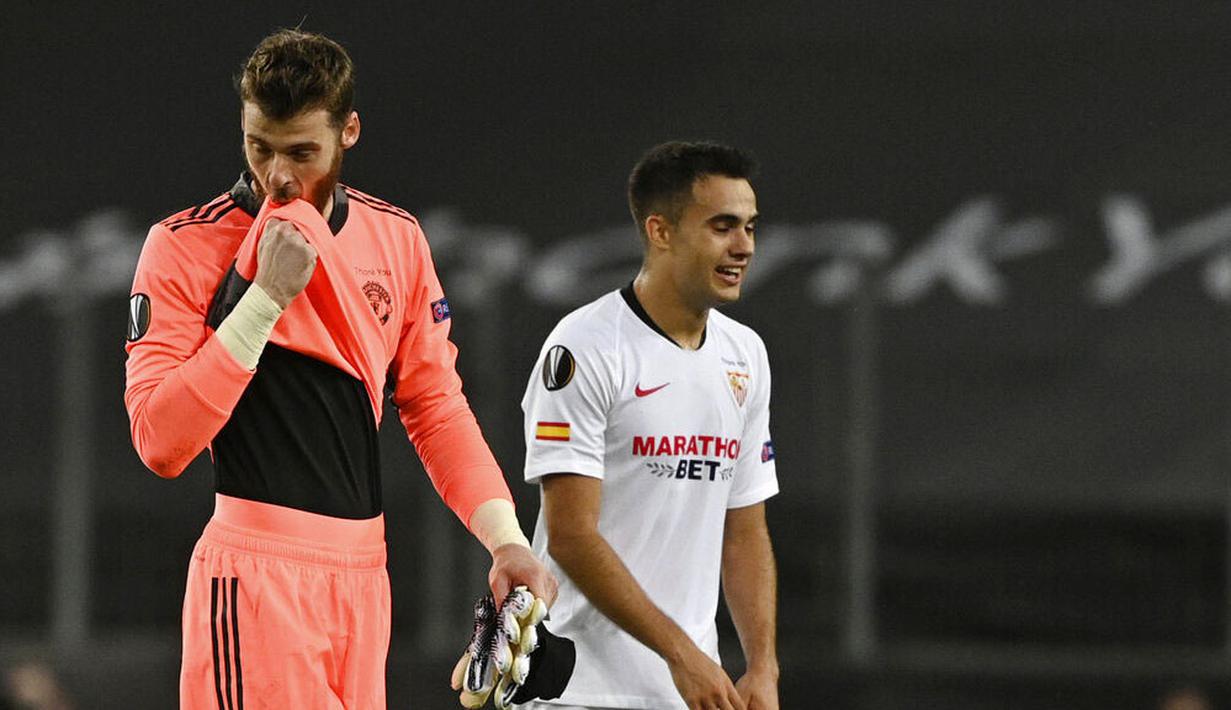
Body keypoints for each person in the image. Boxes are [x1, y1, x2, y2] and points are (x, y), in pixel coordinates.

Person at [123, 29, 555, 709]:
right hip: (254, 577)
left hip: (362, 576)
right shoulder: (183, 245)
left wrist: (505, 541)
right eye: (259, 148)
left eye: (302, 152)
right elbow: (159, 441)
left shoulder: (396, 238)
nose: (278, 177)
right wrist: (264, 298)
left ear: (348, 131)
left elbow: (436, 406)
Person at [519, 142, 780, 710]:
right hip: (577, 691)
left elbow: (745, 530)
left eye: (750, 228)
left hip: (687, 693)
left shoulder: (746, 355)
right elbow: (571, 535)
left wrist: (762, 666)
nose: (744, 247)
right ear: (660, 232)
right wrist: (682, 655)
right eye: (722, 227)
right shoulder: (584, 347)